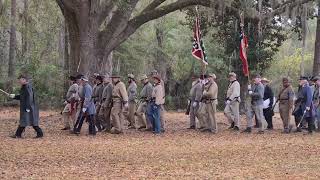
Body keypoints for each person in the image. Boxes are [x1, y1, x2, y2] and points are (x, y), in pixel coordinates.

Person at [9, 74, 44, 138]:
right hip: (28, 106)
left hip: (29, 107)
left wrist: (27, 107)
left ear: (24, 80)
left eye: (20, 80)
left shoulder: (27, 87)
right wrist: (14, 96)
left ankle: (40, 134)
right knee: (25, 121)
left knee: (29, 120)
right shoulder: (25, 86)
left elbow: (29, 97)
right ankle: (18, 134)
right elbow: (23, 97)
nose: (19, 81)